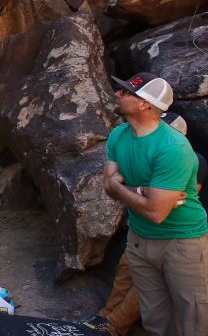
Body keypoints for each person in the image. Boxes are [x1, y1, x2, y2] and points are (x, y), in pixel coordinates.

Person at [102, 72, 208, 336]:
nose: (118, 94)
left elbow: (156, 212)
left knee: (192, 320)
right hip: (139, 239)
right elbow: (107, 186)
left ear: (144, 104)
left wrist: (120, 188)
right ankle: (107, 321)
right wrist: (141, 190)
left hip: (182, 243)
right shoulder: (118, 135)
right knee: (154, 320)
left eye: (126, 92)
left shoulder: (173, 148)